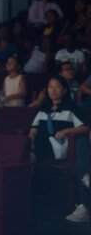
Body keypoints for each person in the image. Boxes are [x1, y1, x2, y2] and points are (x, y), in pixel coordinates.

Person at [29, 75, 90, 222]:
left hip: (60, 148)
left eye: (57, 86)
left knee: (80, 142)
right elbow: (33, 130)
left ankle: (84, 205)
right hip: (40, 147)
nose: (53, 90)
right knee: (25, 157)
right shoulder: (42, 110)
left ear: (64, 90)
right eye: (50, 86)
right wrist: (29, 140)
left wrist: (66, 131)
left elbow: (85, 127)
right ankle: (24, 198)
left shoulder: (71, 109)